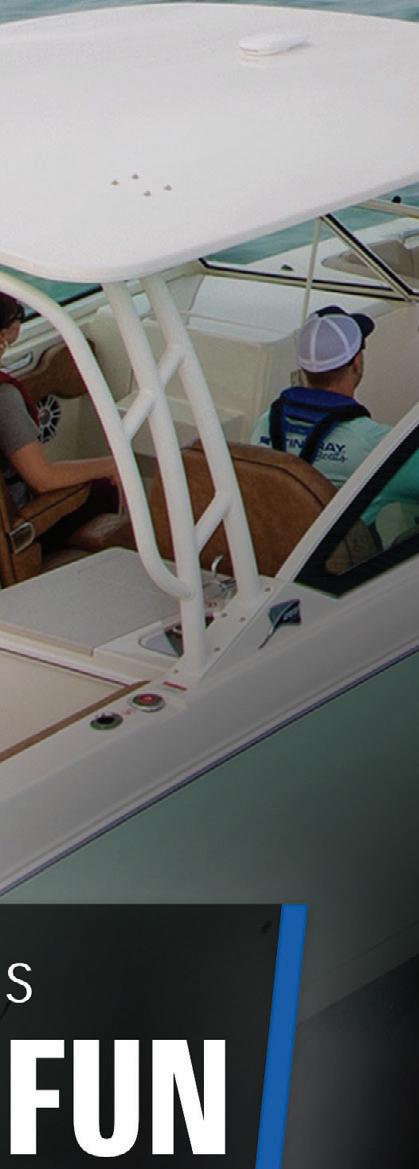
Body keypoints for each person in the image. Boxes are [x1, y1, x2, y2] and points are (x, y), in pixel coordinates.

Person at [0, 291, 121, 513]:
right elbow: (43, 479)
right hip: (23, 520)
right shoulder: (4, 398)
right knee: (105, 489)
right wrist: (112, 465)